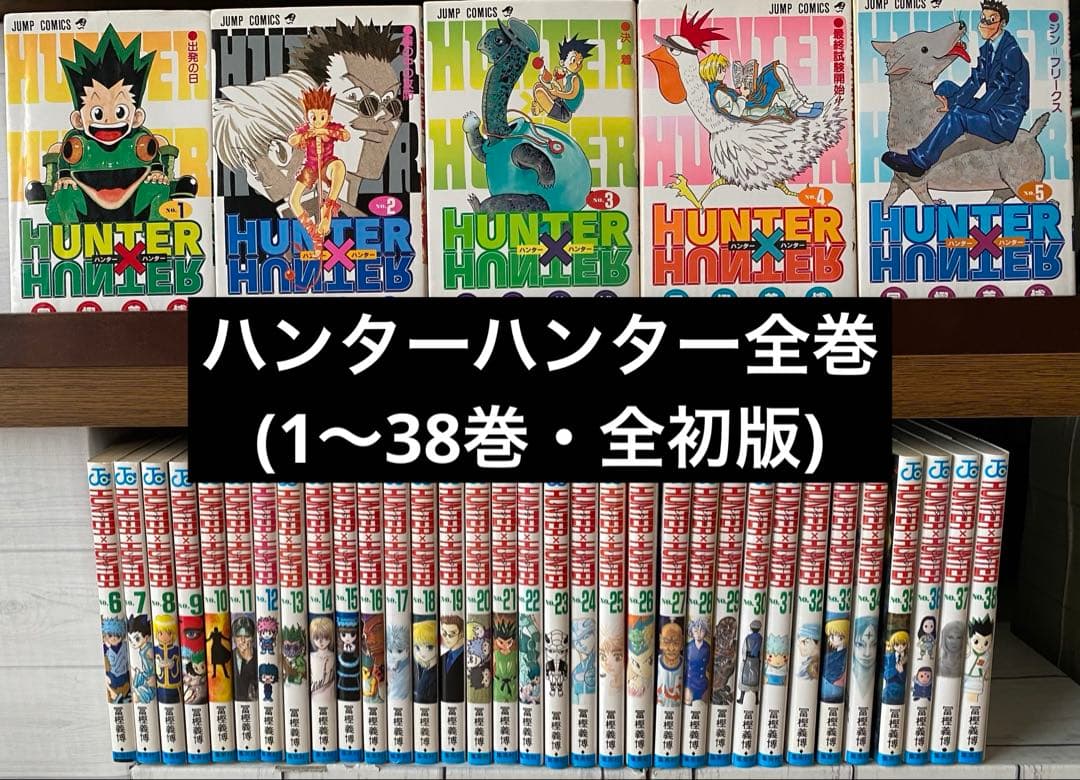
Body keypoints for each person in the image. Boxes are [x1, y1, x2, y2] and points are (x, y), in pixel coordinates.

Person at [882, 1, 1029, 177]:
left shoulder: (1011, 51)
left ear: (1002, 23)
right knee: (946, 88)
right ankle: (932, 136)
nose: (984, 23)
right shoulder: (988, 48)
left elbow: (997, 90)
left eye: (991, 19)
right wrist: (950, 102)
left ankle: (919, 161)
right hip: (992, 110)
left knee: (958, 114)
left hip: (1002, 121)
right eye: (983, 18)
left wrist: (966, 111)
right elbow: (976, 80)